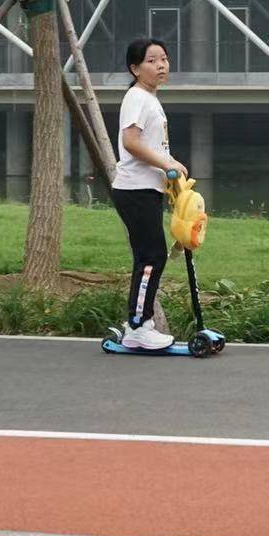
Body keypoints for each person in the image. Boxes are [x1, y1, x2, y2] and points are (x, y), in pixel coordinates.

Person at [111, 37, 187, 351]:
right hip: (135, 189)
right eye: (152, 60)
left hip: (147, 188)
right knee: (151, 256)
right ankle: (139, 325)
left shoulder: (149, 98)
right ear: (135, 68)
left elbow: (152, 144)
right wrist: (166, 163)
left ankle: (140, 323)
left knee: (148, 256)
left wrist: (170, 165)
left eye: (164, 59)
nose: (160, 65)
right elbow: (131, 142)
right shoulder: (137, 97)